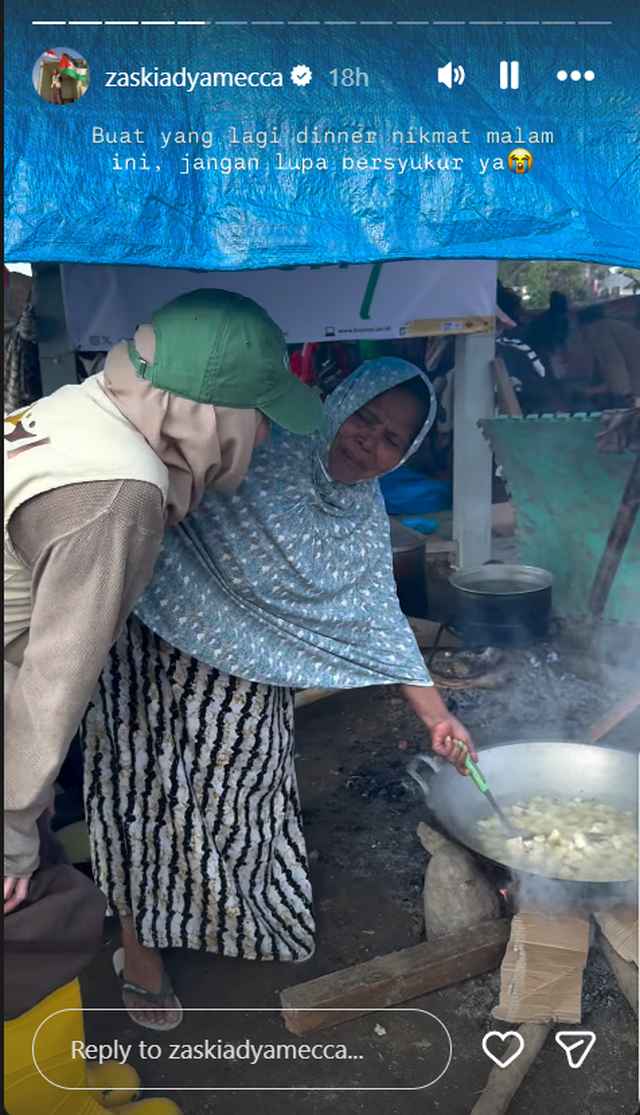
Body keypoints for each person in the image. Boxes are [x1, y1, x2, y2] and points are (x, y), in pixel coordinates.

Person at [82, 358, 478, 1030]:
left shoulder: (359, 510)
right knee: (142, 801)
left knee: (242, 801)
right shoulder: (259, 447)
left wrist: (439, 717)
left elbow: (379, 617)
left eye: (393, 439)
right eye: (366, 417)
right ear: (340, 400)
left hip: (251, 682)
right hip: (153, 650)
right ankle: (139, 946)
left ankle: (221, 918)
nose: (369, 442)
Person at [4, 289, 322, 1100]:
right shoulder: (122, 487)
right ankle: (39, 1087)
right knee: (45, 915)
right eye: (255, 411)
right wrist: (10, 833)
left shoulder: (76, 411)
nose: (261, 431)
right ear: (204, 413)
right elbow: (51, 688)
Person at [578, 304, 640, 409]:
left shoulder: (604, 335)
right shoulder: (617, 327)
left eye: (583, 330)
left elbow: (619, 382)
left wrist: (592, 391)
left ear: (588, 327)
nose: (583, 335)